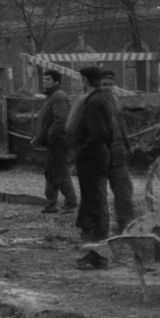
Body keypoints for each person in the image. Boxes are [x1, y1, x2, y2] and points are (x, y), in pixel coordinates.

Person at [68, 65, 136, 266]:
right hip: (106, 154)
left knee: (106, 199)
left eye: (110, 84)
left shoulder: (99, 101)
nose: (107, 87)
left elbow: (105, 131)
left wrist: (83, 150)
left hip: (103, 156)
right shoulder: (100, 100)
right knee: (97, 199)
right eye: (104, 83)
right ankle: (93, 238)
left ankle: (104, 248)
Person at [30, 67, 78, 214]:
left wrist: (49, 136)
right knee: (58, 172)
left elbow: (60, 120)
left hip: (58, 142)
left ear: (57, 82)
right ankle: (68, 202)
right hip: (55, 141)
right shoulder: (52, 97)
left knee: (55, 172)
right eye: (44, 79)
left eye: (48, 79)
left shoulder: (58, 97)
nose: (45, 82)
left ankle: (55, 205)